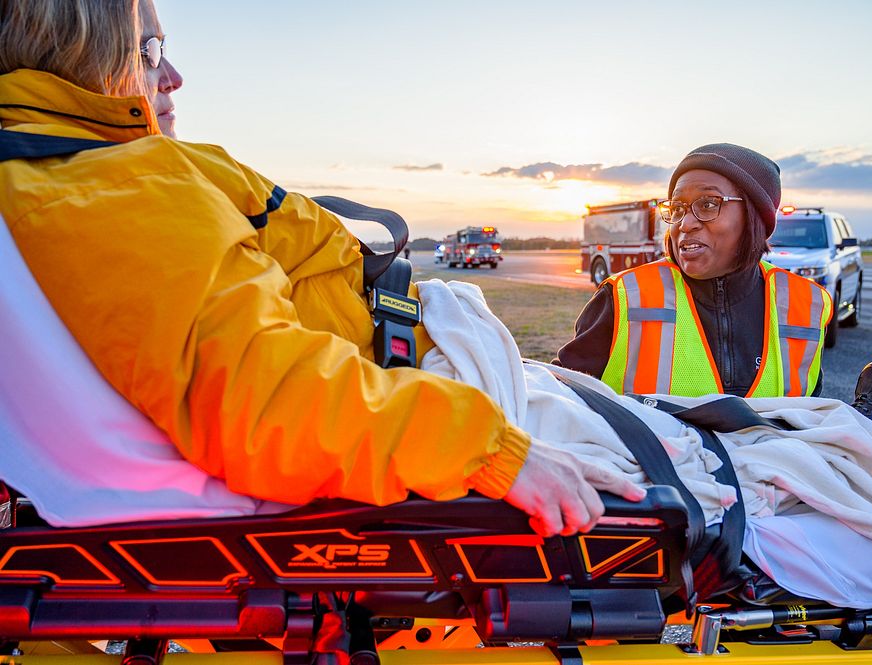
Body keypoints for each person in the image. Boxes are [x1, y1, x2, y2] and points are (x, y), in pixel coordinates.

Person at [0, 0, 647, 540]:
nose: (171, 77)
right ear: (87, 56)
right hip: (432, 385)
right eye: (148, 52)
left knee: (680, 426)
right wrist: (491, 450)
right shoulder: (114, 188)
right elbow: (266, 398)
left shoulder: (83, 175)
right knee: (709, 466)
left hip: (420, 360)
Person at [555, 143, 872, 438]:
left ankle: (863, 438)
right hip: (656, 485)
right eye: (677, 209)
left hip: (770, 484)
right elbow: (558, 401)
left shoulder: (807, 304)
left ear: (755, 217)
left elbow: (803, 410)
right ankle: (865, 437)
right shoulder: (624, 296)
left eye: (708, 204)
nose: (685, 223)